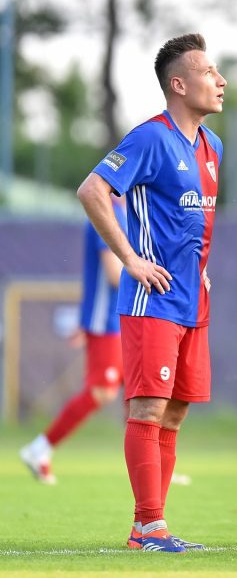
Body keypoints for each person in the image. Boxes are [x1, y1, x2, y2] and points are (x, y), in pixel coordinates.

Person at [76, 33, 225, 552]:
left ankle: (154, 526)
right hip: (152, 300)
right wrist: (131, 260)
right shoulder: (149, 137)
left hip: (193, 300)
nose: (221, 80)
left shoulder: (212, 146)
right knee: (147, 409)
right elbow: (92, 190)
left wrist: (201, 271)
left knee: (176, 412)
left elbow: (193, 224)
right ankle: (147, 525)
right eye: (208, 72)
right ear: (178, 84)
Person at [20, 195, 128, 484]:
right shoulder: (107, 211)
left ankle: (152, 466)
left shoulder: (128, 214)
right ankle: (39, 448)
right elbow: (113, 273)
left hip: (124, 319)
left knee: (138, 389)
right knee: (102, 392)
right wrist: (153, 279)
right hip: (107, 321)